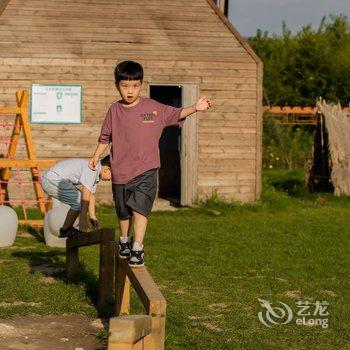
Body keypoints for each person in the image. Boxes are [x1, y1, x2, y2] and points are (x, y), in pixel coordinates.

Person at [89, 60, 212, 267]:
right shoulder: (114, 110)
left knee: (140, 208)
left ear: (141, 85)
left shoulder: (153, 108)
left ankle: (137, 248)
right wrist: (95, 156)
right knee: (123, 211)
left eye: (135, 86)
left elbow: (176, 113)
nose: (130, 91)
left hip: (146, 169)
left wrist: (195, 108)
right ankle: (124, 241)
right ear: (117, 85)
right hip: (120, 170)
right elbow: (104, 138)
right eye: (125, 86)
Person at [42, 155, 111, 237]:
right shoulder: (92, 169)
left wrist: (92, 216)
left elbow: (91, 195)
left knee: (78, 200)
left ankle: (67, 229)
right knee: (78, 200)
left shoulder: (95, 170)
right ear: (107, 169)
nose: (111, 180)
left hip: (52, 179)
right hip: (53, 180)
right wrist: (83, 218)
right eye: (113, 176)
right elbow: (85, 195)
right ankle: (66, 229)